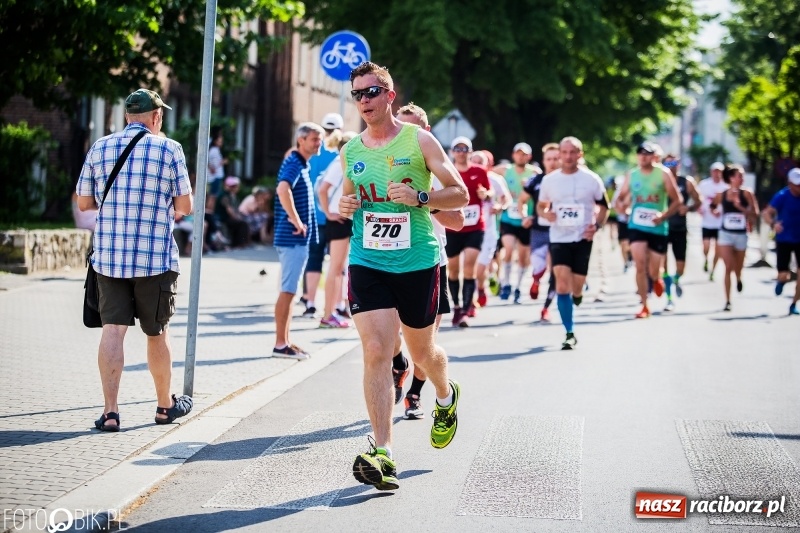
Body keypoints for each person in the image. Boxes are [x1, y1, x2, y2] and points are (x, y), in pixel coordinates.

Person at [339, 62, 468, 491]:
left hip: (417, 262)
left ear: (389, 95)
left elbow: (460, 194)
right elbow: (347, 200)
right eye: (357, 94)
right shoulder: (351, 150)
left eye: (371, 92)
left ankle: (445, 394)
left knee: (422, 353)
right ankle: (384, 452)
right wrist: (343, 206)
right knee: (376, 348)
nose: (364, 101)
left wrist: (421, 197)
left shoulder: (419, 140)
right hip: (368, 260)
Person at [76, 88, 194, 431]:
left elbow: (84, 203)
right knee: (157, 332)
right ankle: (164, 407)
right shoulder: (169, 149)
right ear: (156, 117)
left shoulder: (100, 147)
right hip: (154, 258)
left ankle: (110, 413)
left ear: (128, 116)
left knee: (113, 330)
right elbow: (185, 206)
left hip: (109, 257)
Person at [392, 103, 465, 419]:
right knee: (386, 337)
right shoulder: (382, 162)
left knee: (424, 345)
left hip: (430, 262)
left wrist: (424, 201)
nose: (406, 135)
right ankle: (398, 363)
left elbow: (458, 221)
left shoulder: (437, 170)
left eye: (414, 129)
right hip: (387, 261)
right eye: (400, 127)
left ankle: (415, 395)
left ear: (426, 132)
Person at [537, 137, 608, 349]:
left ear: (580, 154)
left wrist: (596, 226)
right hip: (559, 237)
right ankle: (569, 332)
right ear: (560, 154)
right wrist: (546, 214)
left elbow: (605, 206)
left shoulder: (592, 179)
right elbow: (541, 206)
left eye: (573, 152)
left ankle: (578, 294)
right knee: (561, 283)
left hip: (583, 238)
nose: (568, 156)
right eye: (565, 152)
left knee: (577, 286)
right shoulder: (550, 180)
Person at [272, 122, 323, 359]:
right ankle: (280, 345)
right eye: (314, 139)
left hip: (294, 239)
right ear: (301, 140)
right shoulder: (294, 162)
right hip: (292, 238)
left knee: (290, 292)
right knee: (288, 291)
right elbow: (283, 189)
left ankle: (286, 341)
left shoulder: (300, 163)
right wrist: (297, 220)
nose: (318, 143)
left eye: (319, 139)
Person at [615, 142, 682, 318]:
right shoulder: (632, 175)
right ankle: (644, 305)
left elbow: (677, 200)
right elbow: (619, 199)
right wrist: (622, 209)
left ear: (654, 156)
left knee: (653, 270)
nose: (643, 156)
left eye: (647, 153)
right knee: (640, 265)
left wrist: (663, 216)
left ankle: (656, 278)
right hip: (636, 226)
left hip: (658, 227)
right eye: (640, 153)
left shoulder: (663, 174)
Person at [300, 113, 343, 318]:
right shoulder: (340, 154)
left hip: (313, 213)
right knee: (337, 265)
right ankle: (336, 306)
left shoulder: (313, 151)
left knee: (314, 258)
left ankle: (309, 302)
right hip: (335, 215)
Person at [445, 136, 491, 327]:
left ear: (470, 152)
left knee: (469, 267)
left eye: (465, 149)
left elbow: (489, 192)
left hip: (475, 227)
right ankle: (456, 307)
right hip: (453, 227)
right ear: (452, 152)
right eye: (458, 149)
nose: (461, 153)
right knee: (454, 269)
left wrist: (485, 194)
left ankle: (465, 309)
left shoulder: (479, 171)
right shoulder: (447, 171)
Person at [317, 130, 359, 328]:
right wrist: (328, 213)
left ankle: (335, 310)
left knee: (340, 268)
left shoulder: (349, 162)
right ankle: (327, 315)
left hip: (346, 218)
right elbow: (322, 189)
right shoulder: (338, 163)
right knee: (334, 268)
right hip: (338, 220)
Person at [520, 142, 561, 322]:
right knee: (538, 265)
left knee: (555, 268)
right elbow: (521, 201)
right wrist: (524, 217)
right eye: (549, 159)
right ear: (543, 161)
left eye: (556, 159)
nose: (552, 162)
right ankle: (536, 279)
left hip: (560, 231)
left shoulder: (567, 180)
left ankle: (546, 307)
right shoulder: (536, 181)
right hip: (538, 230)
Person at [493, 143, 538, 302]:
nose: (521, 156)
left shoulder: (534, 173)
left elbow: (543, 189)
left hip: (526, 220)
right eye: (518, 153)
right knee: (509, 249)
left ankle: (518, 287)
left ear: (529, 157)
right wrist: (501, 194)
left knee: (523, 256)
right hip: (508, 219)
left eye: (524, 154)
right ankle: (506, 284)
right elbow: (486, 174)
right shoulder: (505, 170)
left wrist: (530, 188)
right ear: (513, 155)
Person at [712, 164, 758, 311]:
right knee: (728, 267)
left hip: (741, 235)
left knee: (738, 267)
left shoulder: (747, 194)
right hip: (725, 234)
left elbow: (755, 214)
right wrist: (715, 212)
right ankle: (727, 301)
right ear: (731, 178)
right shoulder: (723, 194)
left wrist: (741, 208)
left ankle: (738, 277)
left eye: (743, 176)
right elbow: (712, 205)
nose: (742, 178)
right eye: (740, 176)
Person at [660, 154, 701, 311]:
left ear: (679, 164)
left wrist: (688, 208)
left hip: (680, 229)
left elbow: (699, 201)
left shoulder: (687, 182)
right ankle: (669, 299)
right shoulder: (660, 182)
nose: (671, 166)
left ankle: (676, 279)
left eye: (674, 163)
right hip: (663, 228)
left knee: (681, 267)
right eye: (668, 163)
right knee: (663, 265)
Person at [472, 150, 510, 308]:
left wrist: (499, 206)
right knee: (471, 268)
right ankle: (472, 300)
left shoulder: (495, 179)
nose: (476, 165)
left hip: (488, 231)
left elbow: (506, 199)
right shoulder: (461, 178)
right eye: (473, 161)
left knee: (480, 269)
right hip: (468, 231)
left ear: (488, 164)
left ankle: (481, 287)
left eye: (480, 162)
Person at [762, 167, 800, 315]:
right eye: (796, 184)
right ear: (790, 183)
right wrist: (773, 224)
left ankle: (794, 303)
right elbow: (766, 213)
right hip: (784, 239)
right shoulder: (782, 196)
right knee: (784, 275)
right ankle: (781, 280)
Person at [698, 162, 729, 280]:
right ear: (711, 172)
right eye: (715, 171)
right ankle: (706, 259)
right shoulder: (704, 184)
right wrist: (699, 209)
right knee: (706, 247)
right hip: (707, 221)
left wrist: (720, 211)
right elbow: (698, 199)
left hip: (720, 223)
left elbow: (728, 203)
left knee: (718, 249)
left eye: (719, 171)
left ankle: (713, 270)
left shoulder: (726, 187)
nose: (717, 174)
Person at [214, 176, 251, 248]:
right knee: (242, 223)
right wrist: (237, 218)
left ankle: (242, 243)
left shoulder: (232, 195)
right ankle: (239, 243)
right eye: (233, 186)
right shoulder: (224, 195)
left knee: (243, 222)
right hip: (223, 218)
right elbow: (229, 210)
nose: (235, 188)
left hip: (228, 218)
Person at [207, 126, 228, 208]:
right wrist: (223, 162)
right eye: (220, 141)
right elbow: (215, 165)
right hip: (215, 176)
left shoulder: (212, 149)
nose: (221, 143)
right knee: (213, 196)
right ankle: (209, 211)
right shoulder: (214, 150)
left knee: (212, 195)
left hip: (213, 176)